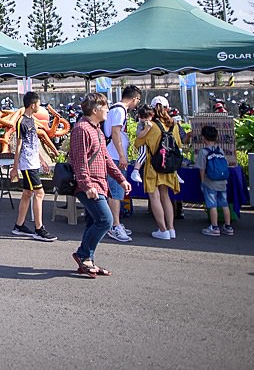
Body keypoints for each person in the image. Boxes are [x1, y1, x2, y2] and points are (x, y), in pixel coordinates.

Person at [70, 92, 131, 277]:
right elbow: (79, 161)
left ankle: (88, 261)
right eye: (105, 106)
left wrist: (121, 179)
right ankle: (83, 255)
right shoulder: (81, 129)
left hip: (100, 183)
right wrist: (87, 186)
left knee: (94, 222)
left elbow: (105, 158)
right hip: (89, 185)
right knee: (106, 220)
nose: (107, 110)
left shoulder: (96, 129)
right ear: (95, 109)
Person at [9, 91, 56, 242]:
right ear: (32, 105)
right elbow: (19, 145)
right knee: (39, 193)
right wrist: (15, 167)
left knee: (27, 194)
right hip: (27, 164)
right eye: (38, 103)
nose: (39, 106)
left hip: (33, 162)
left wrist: (42, 159)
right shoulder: (21, 122)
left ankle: (19, 225)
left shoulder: (31, 120)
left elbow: (34, 143)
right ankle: (39, 228)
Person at [135, 99, 183, 240]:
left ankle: (162, 230)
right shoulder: (173, 125)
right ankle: (171, 228)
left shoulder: (151, 126)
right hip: (169, 166)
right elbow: (179, 144)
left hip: (153, 166)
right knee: (166, 196)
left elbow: (138, 143)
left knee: (154, 197)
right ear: (167, 108)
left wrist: (145, 130)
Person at [102, 85, 141, 242]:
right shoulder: (119, 110)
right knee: (116, 192)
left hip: (115, 155)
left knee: (116, 192)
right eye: (137, 100)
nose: (137, 104)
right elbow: (115, 132)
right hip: (115, 157)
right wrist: (122, 155)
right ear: (134, 98)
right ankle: (114, 225)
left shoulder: (117, 109)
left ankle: (114, 224)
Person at [197, 125, 234, 237]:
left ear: (203, 138)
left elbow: (202, 169)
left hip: (210, 182)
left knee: (212, 204)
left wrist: (202, 182)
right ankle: (228, 226)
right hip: (222, 182)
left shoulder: (203, 152)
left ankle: (214, 227)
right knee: (224, 204)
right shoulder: (220, 150)